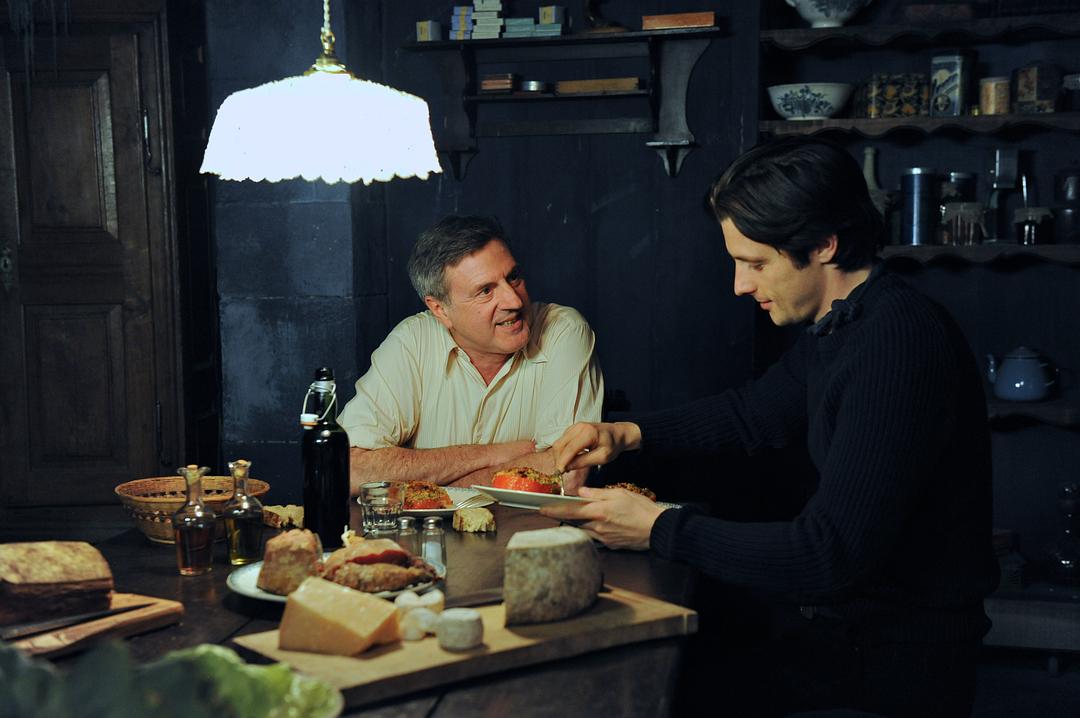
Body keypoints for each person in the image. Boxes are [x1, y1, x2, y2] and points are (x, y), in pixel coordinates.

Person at [542, 137, 998, 717]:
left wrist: (659, 528)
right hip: (843, 635)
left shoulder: (896, 344)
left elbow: (829, 554)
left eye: (756, 263)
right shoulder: (847, 322)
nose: (740, 284)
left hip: (894, 667)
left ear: (825, 244)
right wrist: (625, 433)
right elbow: (753, 413)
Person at [339, 215, 604, 494]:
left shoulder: (563, 331)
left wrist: (428, 485)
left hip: (529, 525)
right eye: (486, 291)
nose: (514, 301)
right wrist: (494, 454)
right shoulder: (412, 342)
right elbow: (348, 469)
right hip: (431, 526)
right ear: (440, 310)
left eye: (513, 277)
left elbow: (570, 473)